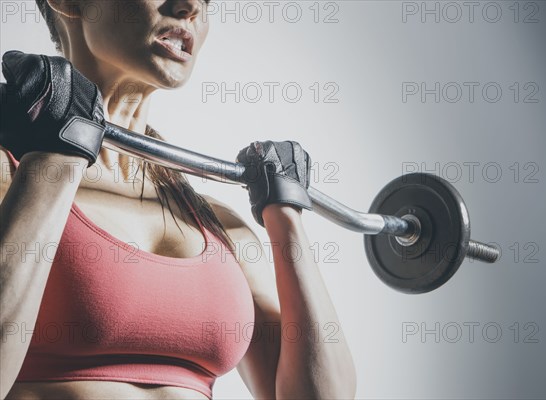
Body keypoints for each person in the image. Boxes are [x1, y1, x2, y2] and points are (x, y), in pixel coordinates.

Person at [0, 0, 356, 399]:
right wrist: (54, 159)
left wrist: (286, 217)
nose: (190, 7)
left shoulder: (217, 224)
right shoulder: (10, 178)